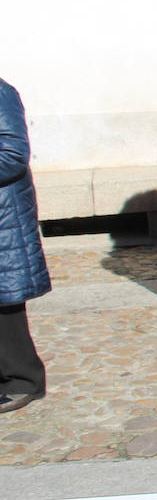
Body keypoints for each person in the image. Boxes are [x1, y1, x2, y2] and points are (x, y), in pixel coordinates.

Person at [0, 78, 49, 413]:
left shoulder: (1, 93)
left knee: (5, 304)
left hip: (3, 214)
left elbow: (13, 154)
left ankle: (22, 380)